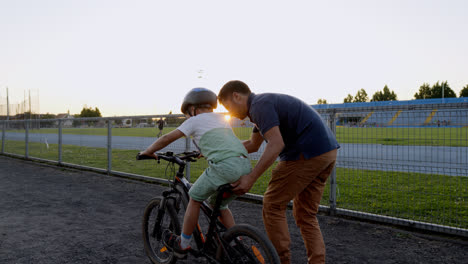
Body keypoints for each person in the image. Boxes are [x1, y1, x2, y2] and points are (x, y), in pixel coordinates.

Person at [218, 80, 340, 264]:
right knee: (306, 215)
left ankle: (280, 261)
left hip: (306, 153)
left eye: (228, 106)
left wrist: (250, 178)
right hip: (326, 152)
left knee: (272, 204)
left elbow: (276, 144)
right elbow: (253, 144)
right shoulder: (263, 106)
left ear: (237, 96)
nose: (230, 113)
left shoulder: (259, 106)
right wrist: (220, 150)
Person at [139, 87, 251, 258]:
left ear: (192, 108)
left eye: (187, 113)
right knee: (220, 205)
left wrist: (148, 151)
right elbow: (222, 142)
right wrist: (204, 151)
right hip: (243, 166)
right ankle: (236, 243)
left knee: (194, 197)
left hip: (224, 167)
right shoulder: (221, 119)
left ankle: (183, 244)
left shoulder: (194, 120)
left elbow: (166, 138)